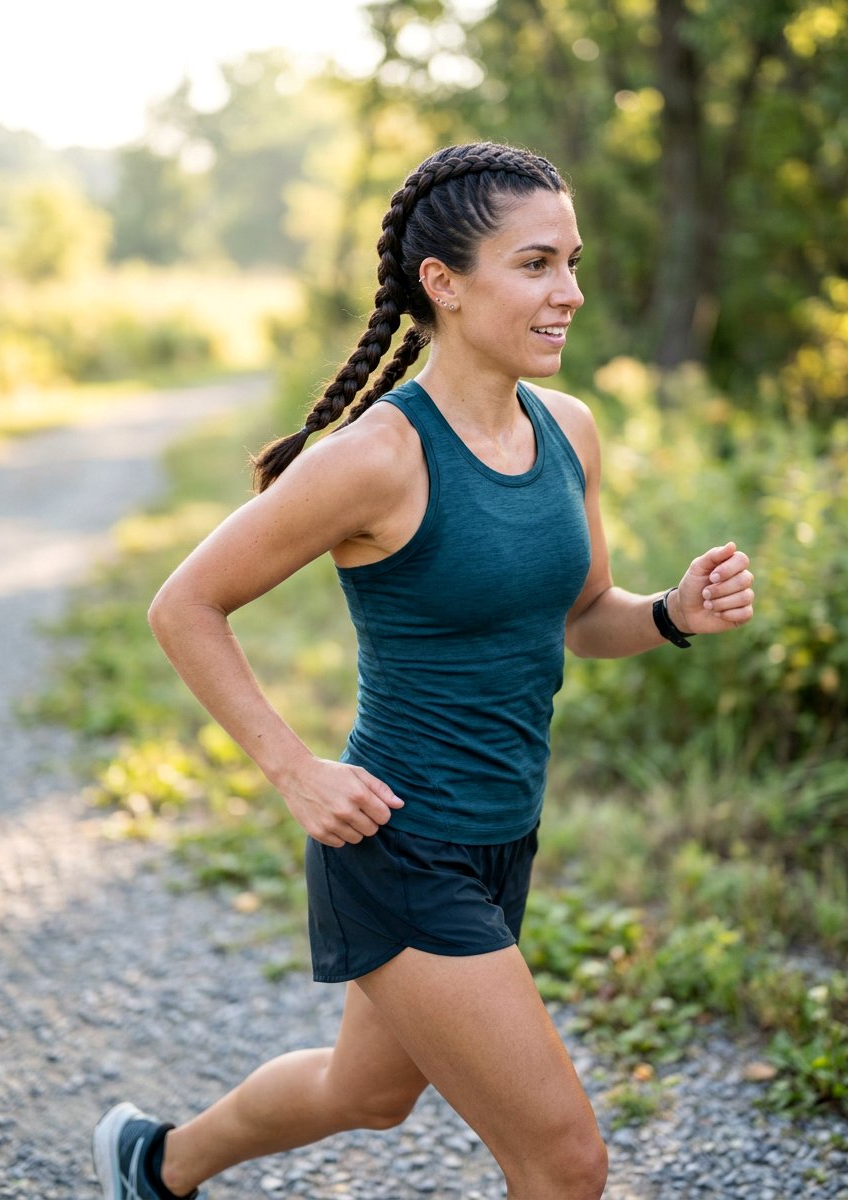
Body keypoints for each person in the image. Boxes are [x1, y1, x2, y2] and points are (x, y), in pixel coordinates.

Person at [92, 141, 754, 1200]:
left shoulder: (568, 431)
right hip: (401, 845)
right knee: (564, 1162)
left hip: (503, 836)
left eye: (571, 262)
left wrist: (670, 615)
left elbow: (583, 618)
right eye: (535, 265)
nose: (570, 292)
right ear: (443, 285)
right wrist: (293, 770)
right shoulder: (373, 459)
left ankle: (154, 1162)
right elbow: (186, 605)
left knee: (366, 1092)